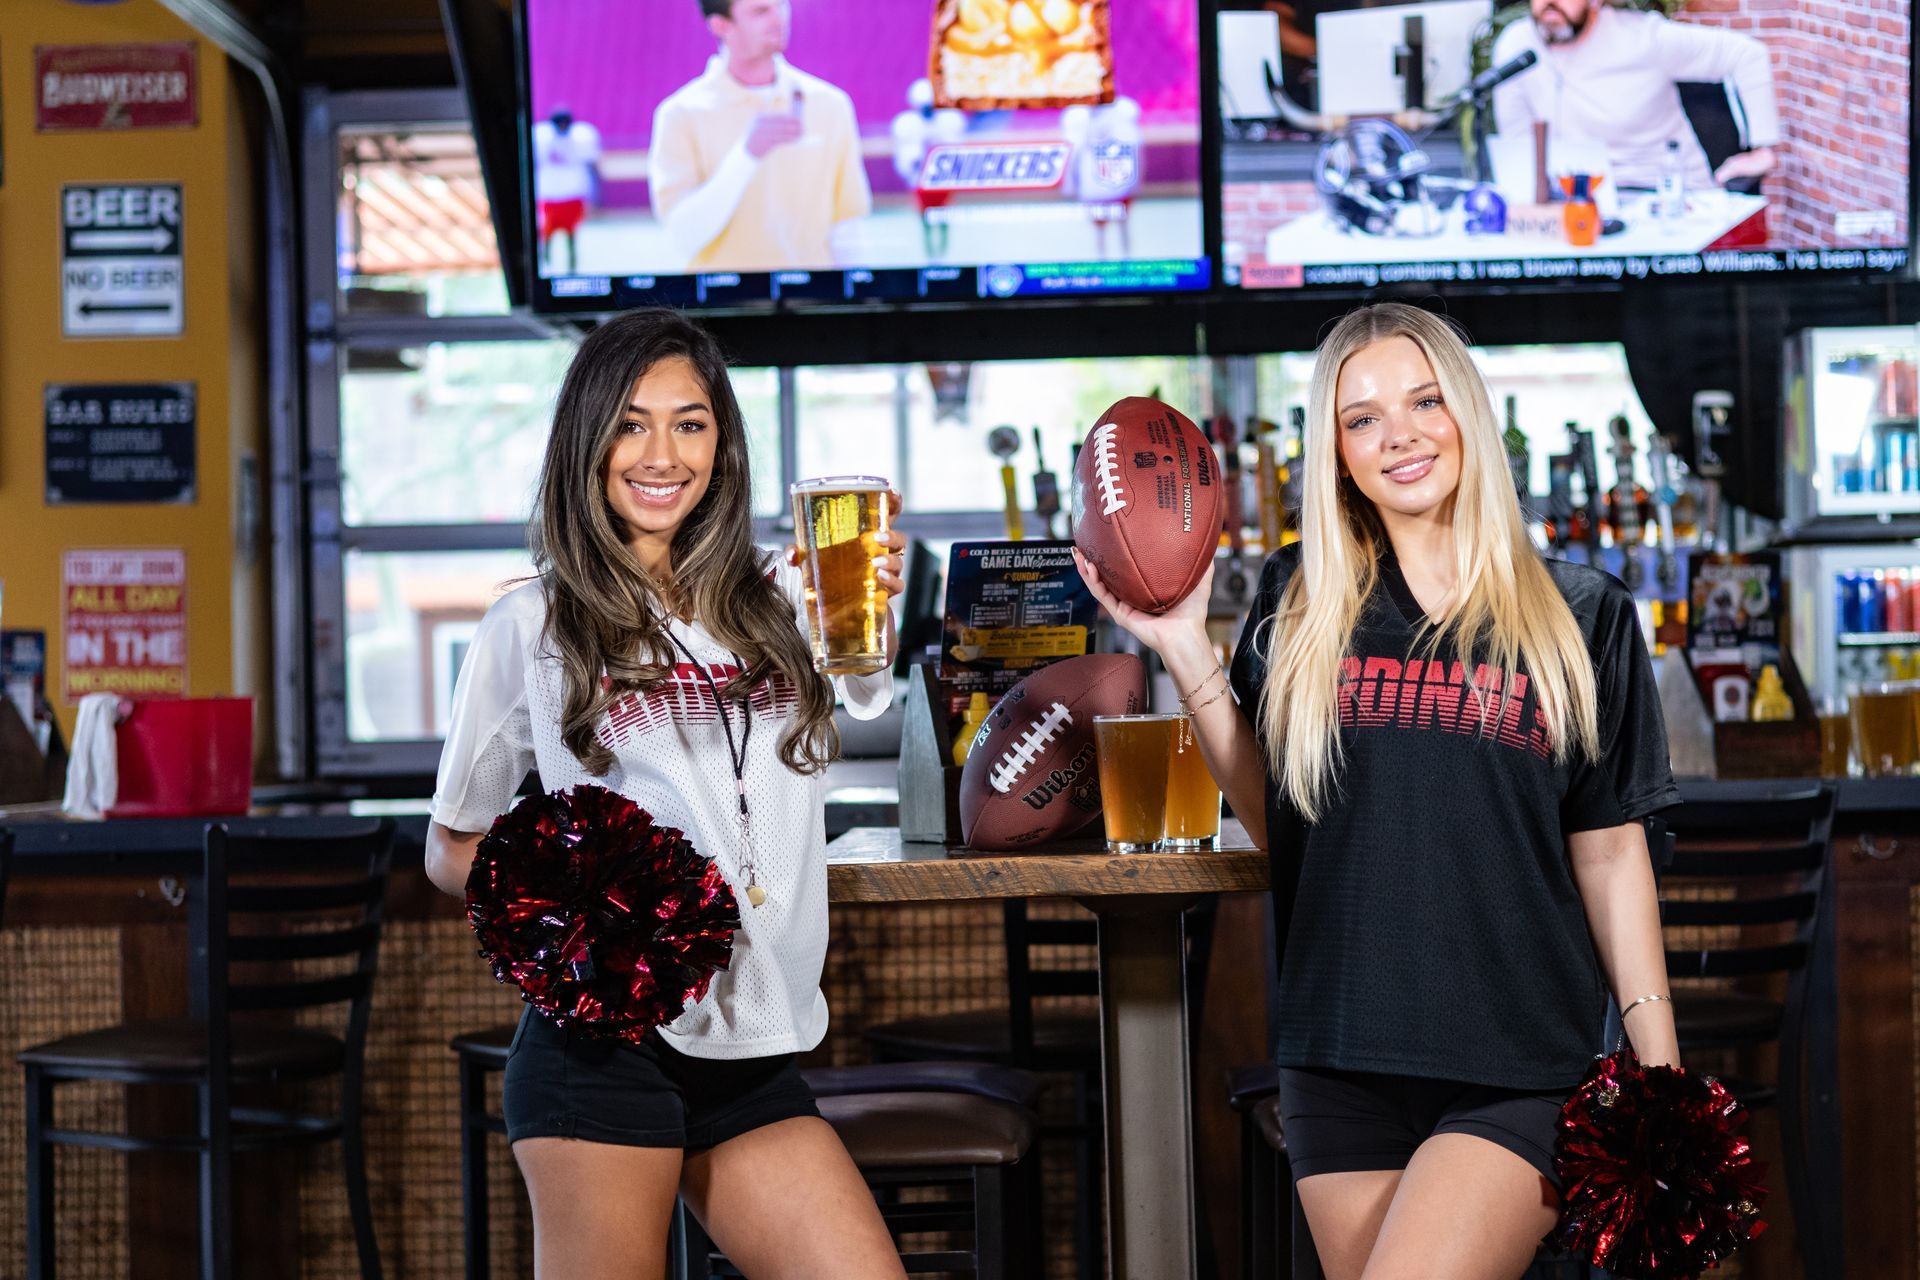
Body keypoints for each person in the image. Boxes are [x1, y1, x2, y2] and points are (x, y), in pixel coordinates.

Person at [1076, 302, 1680, 1280]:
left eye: (1424, 400)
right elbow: (1287, 819)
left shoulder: (1581, 615)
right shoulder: (1298, 598)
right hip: (1341, 1056)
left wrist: (1658, 1071)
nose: (1397, 433)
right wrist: (1187, 649)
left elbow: (1610, 851)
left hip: (1520, 1060)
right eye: (1361, 418)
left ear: (1467, 415)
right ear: (1339, 453)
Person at [424, 308, 909, 1279]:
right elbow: (451, 847)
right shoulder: (534, 623)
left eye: (690, 422)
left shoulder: (788, 603)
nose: (662, 451)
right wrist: (588, 911)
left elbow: (861, 685)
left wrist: (873, 605)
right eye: (631, 422)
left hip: (753, 1044)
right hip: (603, 1046)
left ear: (721, 445)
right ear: (588, 442)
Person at [650, 0, 872, 272]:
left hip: (812, 302)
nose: (778, 19)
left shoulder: (829, 105)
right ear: (721, 25)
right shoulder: (680, 114)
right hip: (722, 304)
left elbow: (847, 227)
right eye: (760, 11)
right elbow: (684, 238)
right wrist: (746, 155)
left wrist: (851, 307)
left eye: (780, 6)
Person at [1490, 0, 1781, 194]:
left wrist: (1762, 149)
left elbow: (1747, 55)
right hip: (1574, 204)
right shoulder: (1516, 45)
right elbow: (1518, 144)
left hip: (1661, 197)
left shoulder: (1645, 38)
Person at [532, 105, 603, 275]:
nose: (563, 127)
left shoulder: (582, 137)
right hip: (549, 195)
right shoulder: (540, 137)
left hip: (573, 194)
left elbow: (593, 164)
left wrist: (597, 193)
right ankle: (546, 269)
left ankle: (572, 271)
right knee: (546, 235)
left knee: (572, 236)